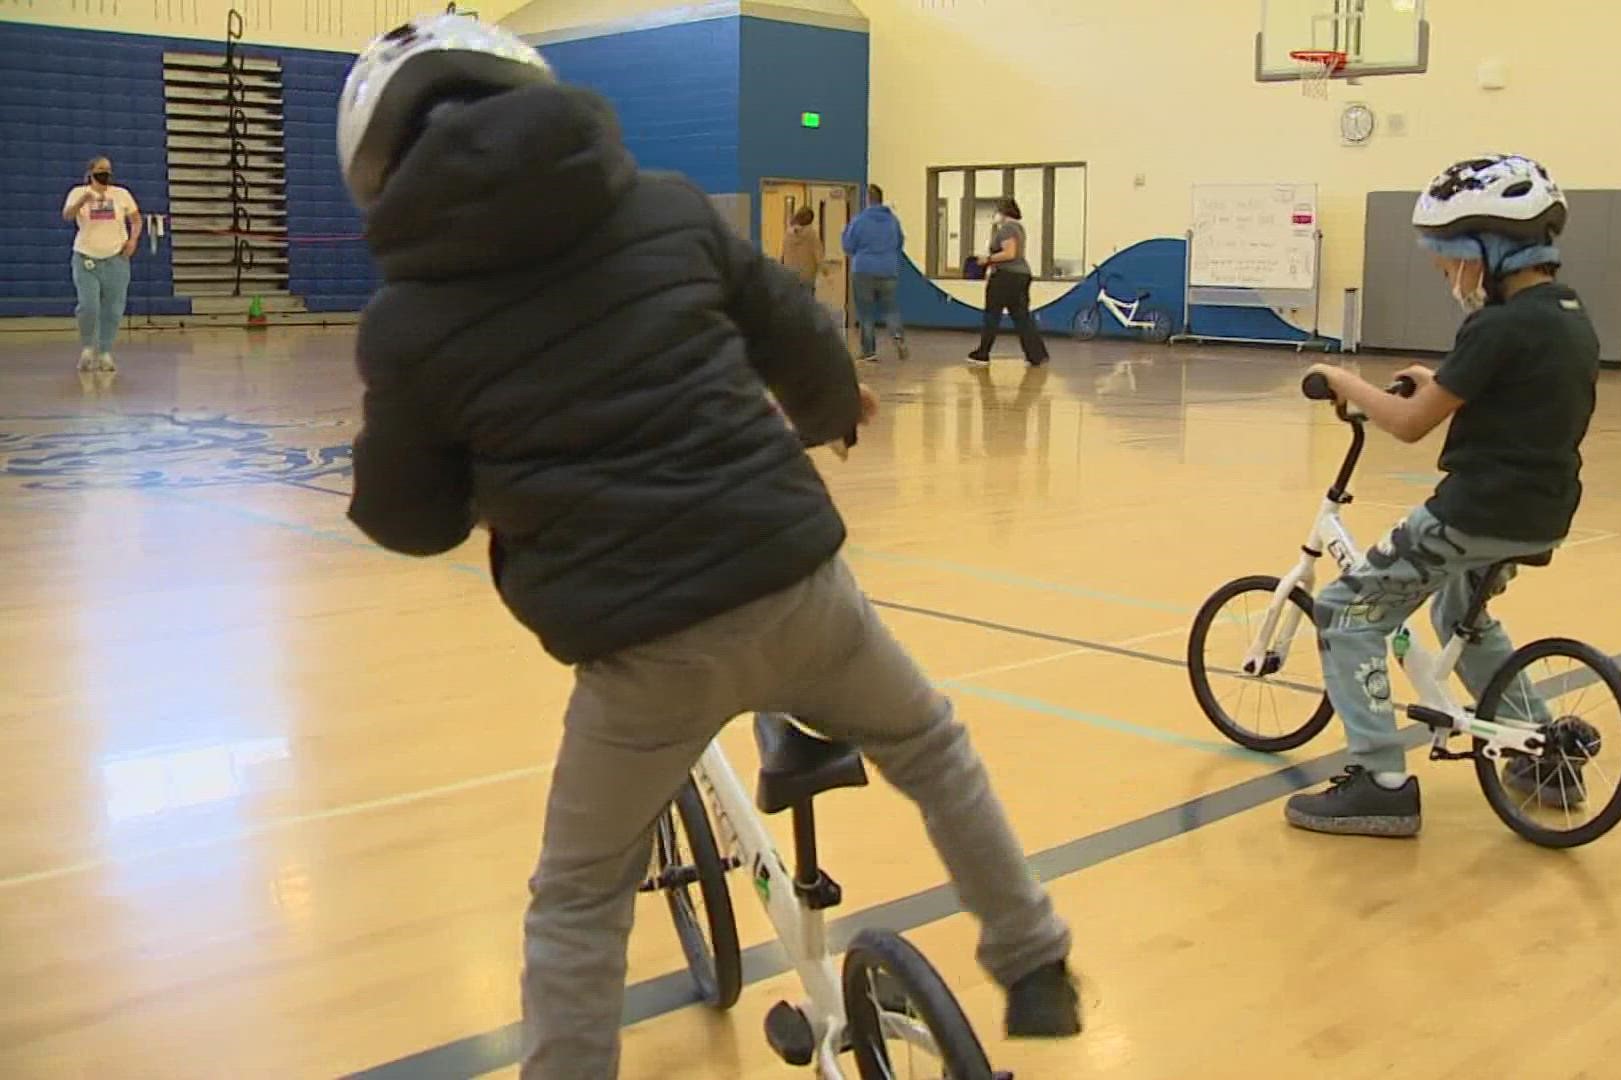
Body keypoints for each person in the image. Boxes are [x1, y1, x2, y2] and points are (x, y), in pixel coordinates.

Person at [334, 17, 1078, 1077]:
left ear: (379, 170)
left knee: (581, 900)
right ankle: (1035, 963)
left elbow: (412, 520)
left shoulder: (407, 322)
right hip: (798, 584)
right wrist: (830, 412)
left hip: (644, 654)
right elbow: (800, 338)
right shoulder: (666, 207)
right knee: (931, 747)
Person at [1287, 154, 1600, 838]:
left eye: (1449, 257)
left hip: (1475, 512)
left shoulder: (1496, 325)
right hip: (1540, 510)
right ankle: (1539, 748)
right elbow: (1512, 394)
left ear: (1489, 248)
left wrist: (1342, 379)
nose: (1443, 271)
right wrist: (1442, 379)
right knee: (1464, 613)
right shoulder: (1565, 315)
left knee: (1345, 610)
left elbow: (1405, 424)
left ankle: (1379, 780)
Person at [61, 156, 142, 373]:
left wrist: (133, 240)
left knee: (114, 309)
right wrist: (83, 201)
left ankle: (105, 352)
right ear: (90, 172)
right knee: (89, 305)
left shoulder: (121, 194)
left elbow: (136, 219)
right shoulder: (78, 192)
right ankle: (88, 348)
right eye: (100, 169)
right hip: (86, 257)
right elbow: (67, 215)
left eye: (108, 169)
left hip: (116, 258)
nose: (104, 173)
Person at [968, 198, 1049, 367]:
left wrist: (987, 260)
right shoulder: (1019, 228)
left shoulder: (1007, 229)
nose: (995, 215)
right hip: (1021, 275)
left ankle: (982, 353)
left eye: (997, 212)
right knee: (1022, 317)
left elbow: (1009, 253)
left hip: (1006, 277)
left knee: (992, 315)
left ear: (1003, 212)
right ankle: (1036, 354)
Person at [841, 184, 908, 362]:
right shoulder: (893, 221)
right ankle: (898, 337)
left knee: (865, 313)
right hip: (888, 269)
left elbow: (848, 245)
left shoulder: (859, 220)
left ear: (867, 200)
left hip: (863, 269)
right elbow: (900, 243)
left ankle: (869, 351)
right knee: (891, 309)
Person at [779, 205, 824, 286]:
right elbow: (819, 257)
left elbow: (783, 256)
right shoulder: (812, 235)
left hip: (790, 277)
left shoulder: (787, 234)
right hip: (806, 278)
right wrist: (825, 271)